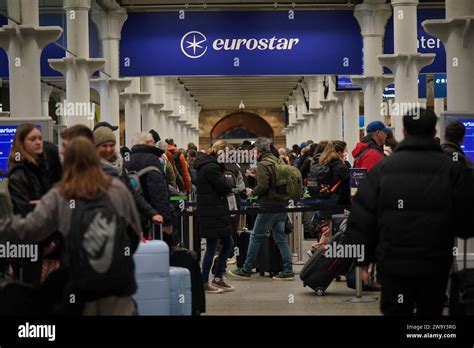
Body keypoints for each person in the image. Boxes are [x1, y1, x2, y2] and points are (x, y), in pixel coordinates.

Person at [346, 108, 474, 316]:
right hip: (435, 260)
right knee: (430, 310)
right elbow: (467, 217)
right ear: (434, 132)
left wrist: (363, 259)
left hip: (393, 260)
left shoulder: (383, 169)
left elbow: (362, 216)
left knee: (396, 309)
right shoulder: (452, 169)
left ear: (404, 132)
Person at [0, 137, 142, 315]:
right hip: (118, 285)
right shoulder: (117, 188)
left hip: (83, 284)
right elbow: (135, 232)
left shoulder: (62, 193)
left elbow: (30, 228)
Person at [229, 137, 294, 281]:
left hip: (268, 206)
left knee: (256, 236)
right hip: (280, 204)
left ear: (258, 150)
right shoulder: (278, 160)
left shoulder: (264, 164)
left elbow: (264, 186)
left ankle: (246, 269)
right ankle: (288, 270)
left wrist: (253, 192)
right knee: (280, 238)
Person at [7, 124, 60, 286]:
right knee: (28, 292)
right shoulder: (19, 173)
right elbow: (26, 212)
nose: (38, 142)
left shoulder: (40, 169)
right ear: (22, 144)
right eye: (32, 139)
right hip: (27, 247)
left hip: (43, 243)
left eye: (40, 138)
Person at [93, 127, 163, 231]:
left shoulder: (119, 166)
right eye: (104, 146)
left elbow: (131, 192)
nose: (108, 149)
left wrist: (151, 213)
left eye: (111, 145)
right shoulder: (90, 167)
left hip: (119, 222)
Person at [194, 142, 235, 293]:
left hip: (214, 210)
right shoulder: (211, 167)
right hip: (212, 212)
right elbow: (224, 186)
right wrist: (230, 180)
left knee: (227, 242)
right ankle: (205, 281)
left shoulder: (210, 165)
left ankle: (217, 277)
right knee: (212, 246)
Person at [126, 133, 177, 247]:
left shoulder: (127, 160)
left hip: (132, 218)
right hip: (152, 218)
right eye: (153, 142)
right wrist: (167, 221)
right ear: (148, 143)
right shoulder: (152, 160)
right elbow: (158, 192)